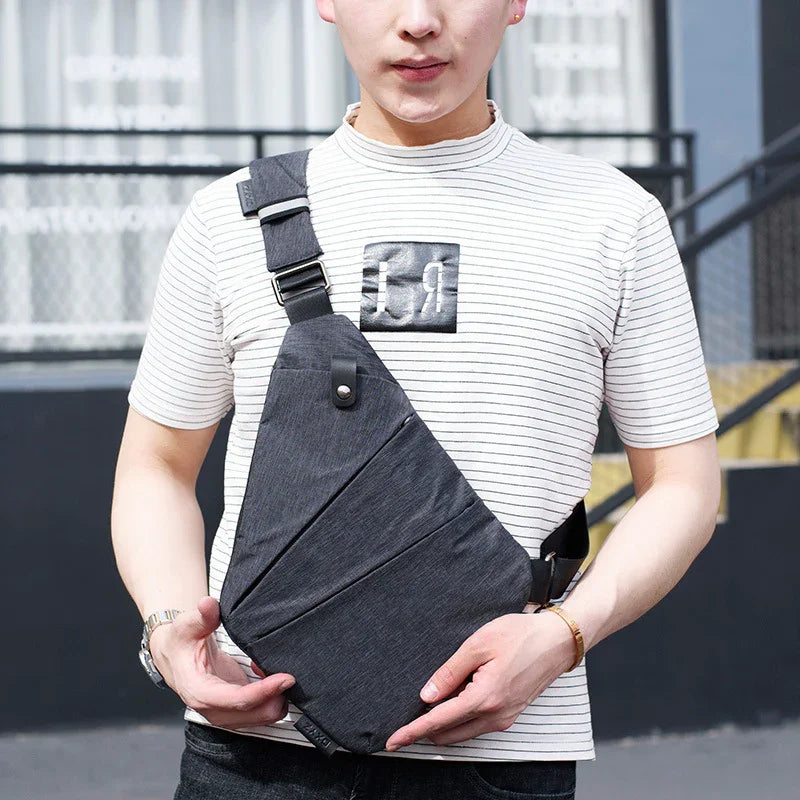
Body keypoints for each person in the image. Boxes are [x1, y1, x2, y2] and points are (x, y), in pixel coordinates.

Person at [111, 1, 722, 798]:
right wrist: (167, 631)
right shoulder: (227, 219)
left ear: (515, 4)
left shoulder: (611, 219)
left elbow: (684, 483)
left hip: (506, 753)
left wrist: (565, 634)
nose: (420, 20)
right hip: (254, 754)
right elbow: (155, 466)